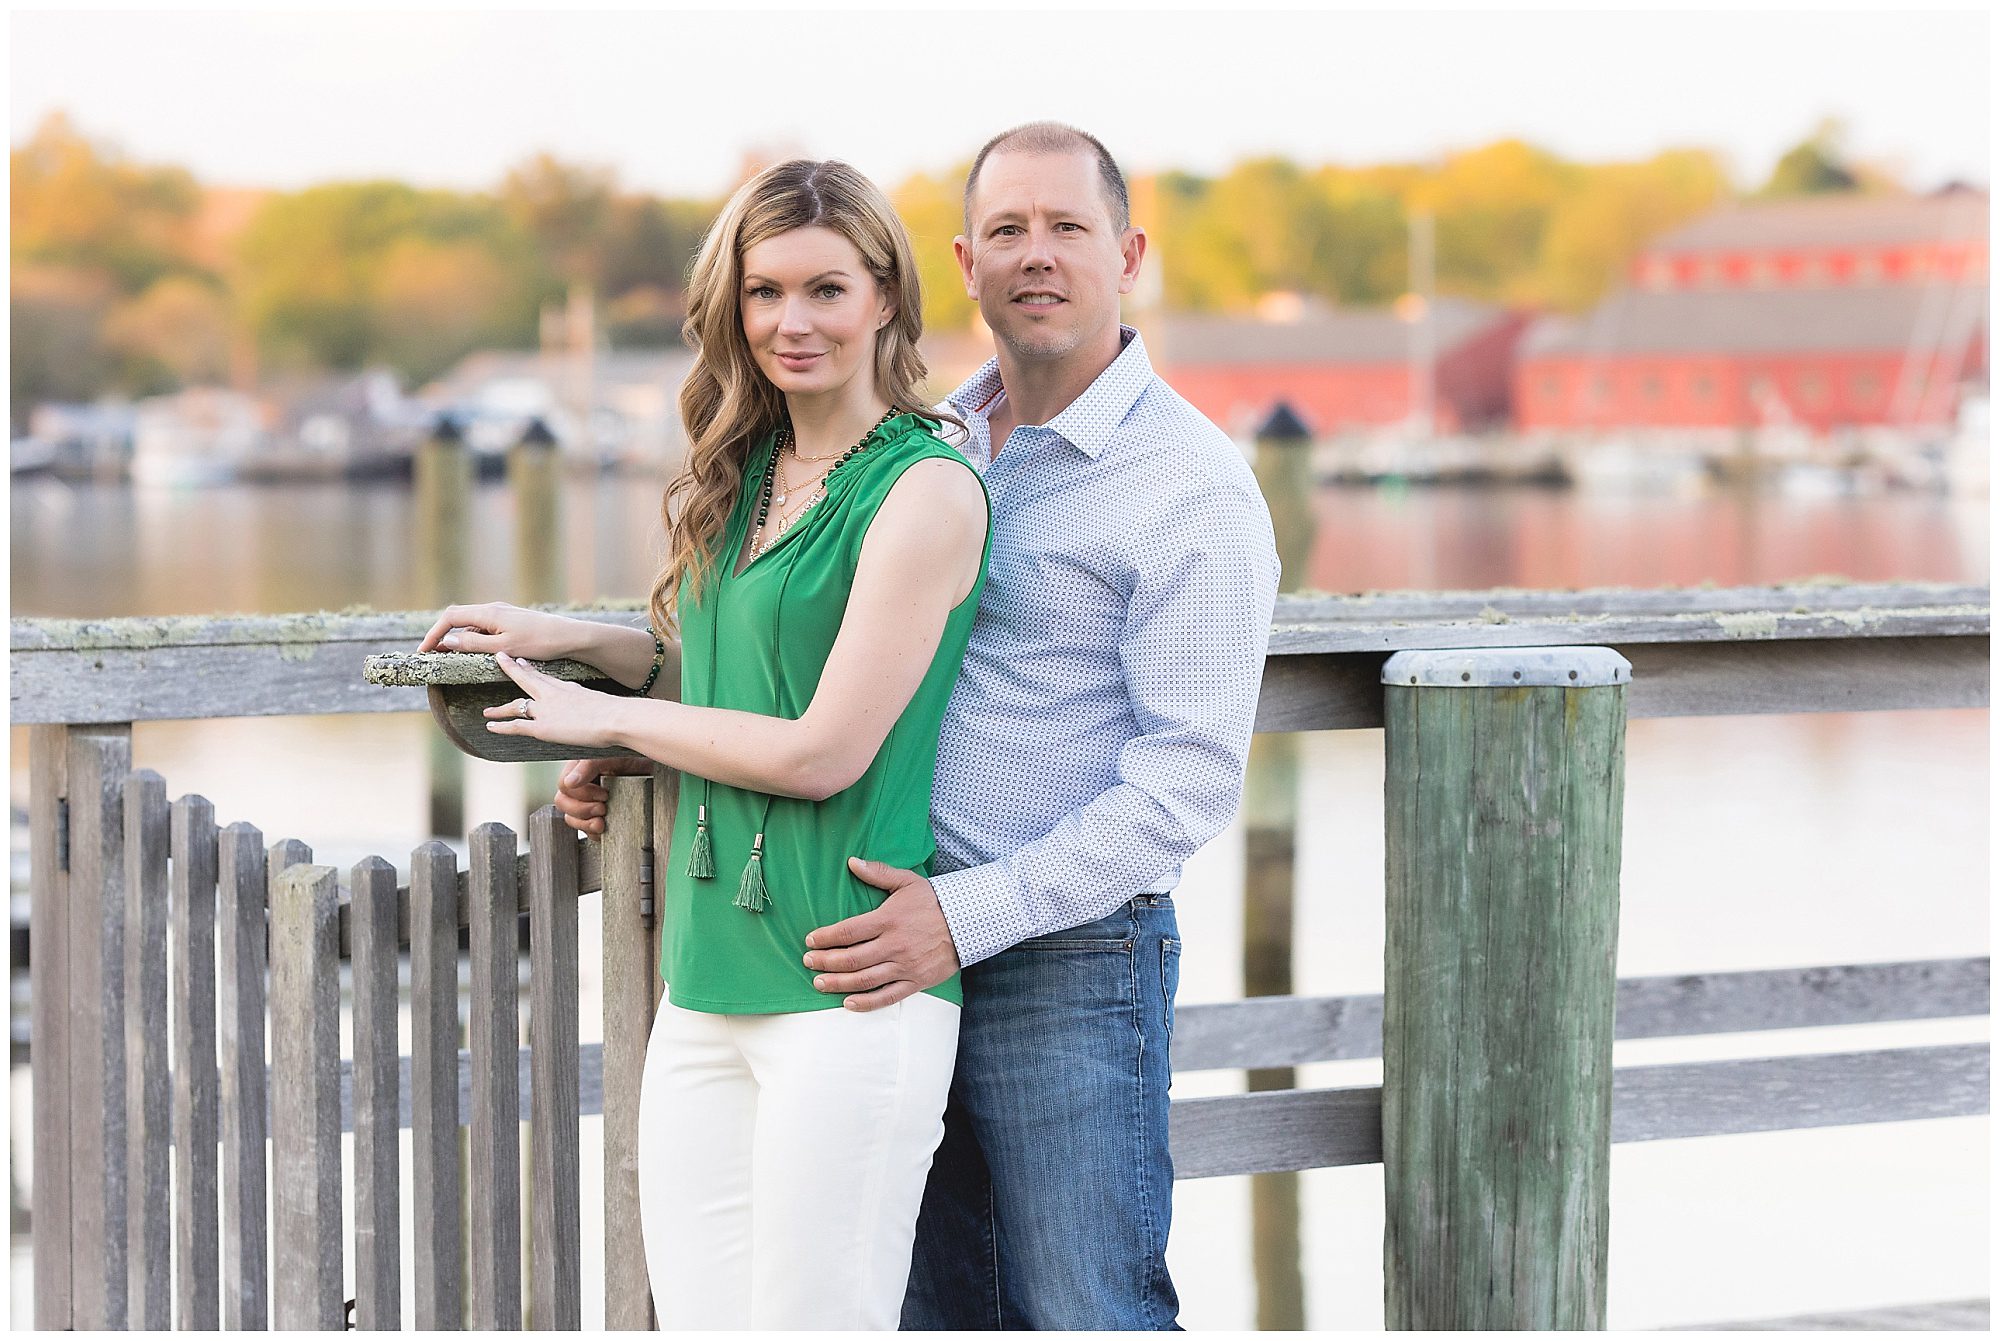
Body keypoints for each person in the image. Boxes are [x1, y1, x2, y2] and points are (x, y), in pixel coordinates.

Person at [419, 159, 990, 1330]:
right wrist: (586, 646)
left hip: (845, 987)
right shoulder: (743, 480)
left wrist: (611, 720)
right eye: (763, 291)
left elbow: (824, 747)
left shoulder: (927, 491)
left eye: (826, 289)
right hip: (704, 981)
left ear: (885, 296)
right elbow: (725, 683)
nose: (793, 322)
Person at [793, 122, 1279, 1329]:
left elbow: (1184, 786)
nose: (1036, 255)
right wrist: (627, 732)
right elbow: (803, 652)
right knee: (923, 1308)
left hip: (1062, 959)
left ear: (1128, 253)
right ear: (963, 261)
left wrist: (964, 918)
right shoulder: (918, 448)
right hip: (885, 937)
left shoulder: (1192, 489)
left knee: (1085, 1311)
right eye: (1006, 229)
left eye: (1066, 226)